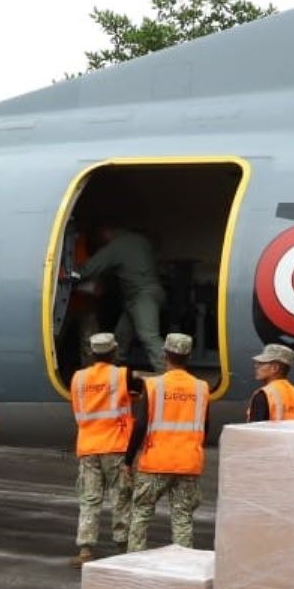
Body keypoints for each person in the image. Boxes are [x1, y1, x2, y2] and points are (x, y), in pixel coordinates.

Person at [127, 333, 208, 553]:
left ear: (165, 354)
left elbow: (141, 425)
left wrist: (128, 460)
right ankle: (182, 564)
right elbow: (205, 428)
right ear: (188, 356)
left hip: (156, 462)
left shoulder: (153, 385)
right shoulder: (201, 388)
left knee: (142, 512)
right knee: (182, 517)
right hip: (188, 463)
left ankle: (133, 559)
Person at [69, 331, 138, 567]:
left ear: (91, 353)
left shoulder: (78, 378)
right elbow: (137, 394)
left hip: (88, 445)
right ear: (114, 352)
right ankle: (122, 546)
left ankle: (86, 549)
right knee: (120, 497)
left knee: (89, 499)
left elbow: (78, 411)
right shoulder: (121, 375)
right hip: (115, 445)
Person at [72, 224, 164, 366]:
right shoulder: (140, 240)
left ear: (105, 232)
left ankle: (170, 378)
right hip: (144, 295)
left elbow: (87, 270)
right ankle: (113, 373)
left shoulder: (116, 246)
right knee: (120, 339)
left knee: (149, 337)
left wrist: (67, 272)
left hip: (141, 297)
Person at [246, 344, 294, 422]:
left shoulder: (264, 394)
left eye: (261, 363)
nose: (256, 366)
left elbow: (254, 431)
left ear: (275, 368)